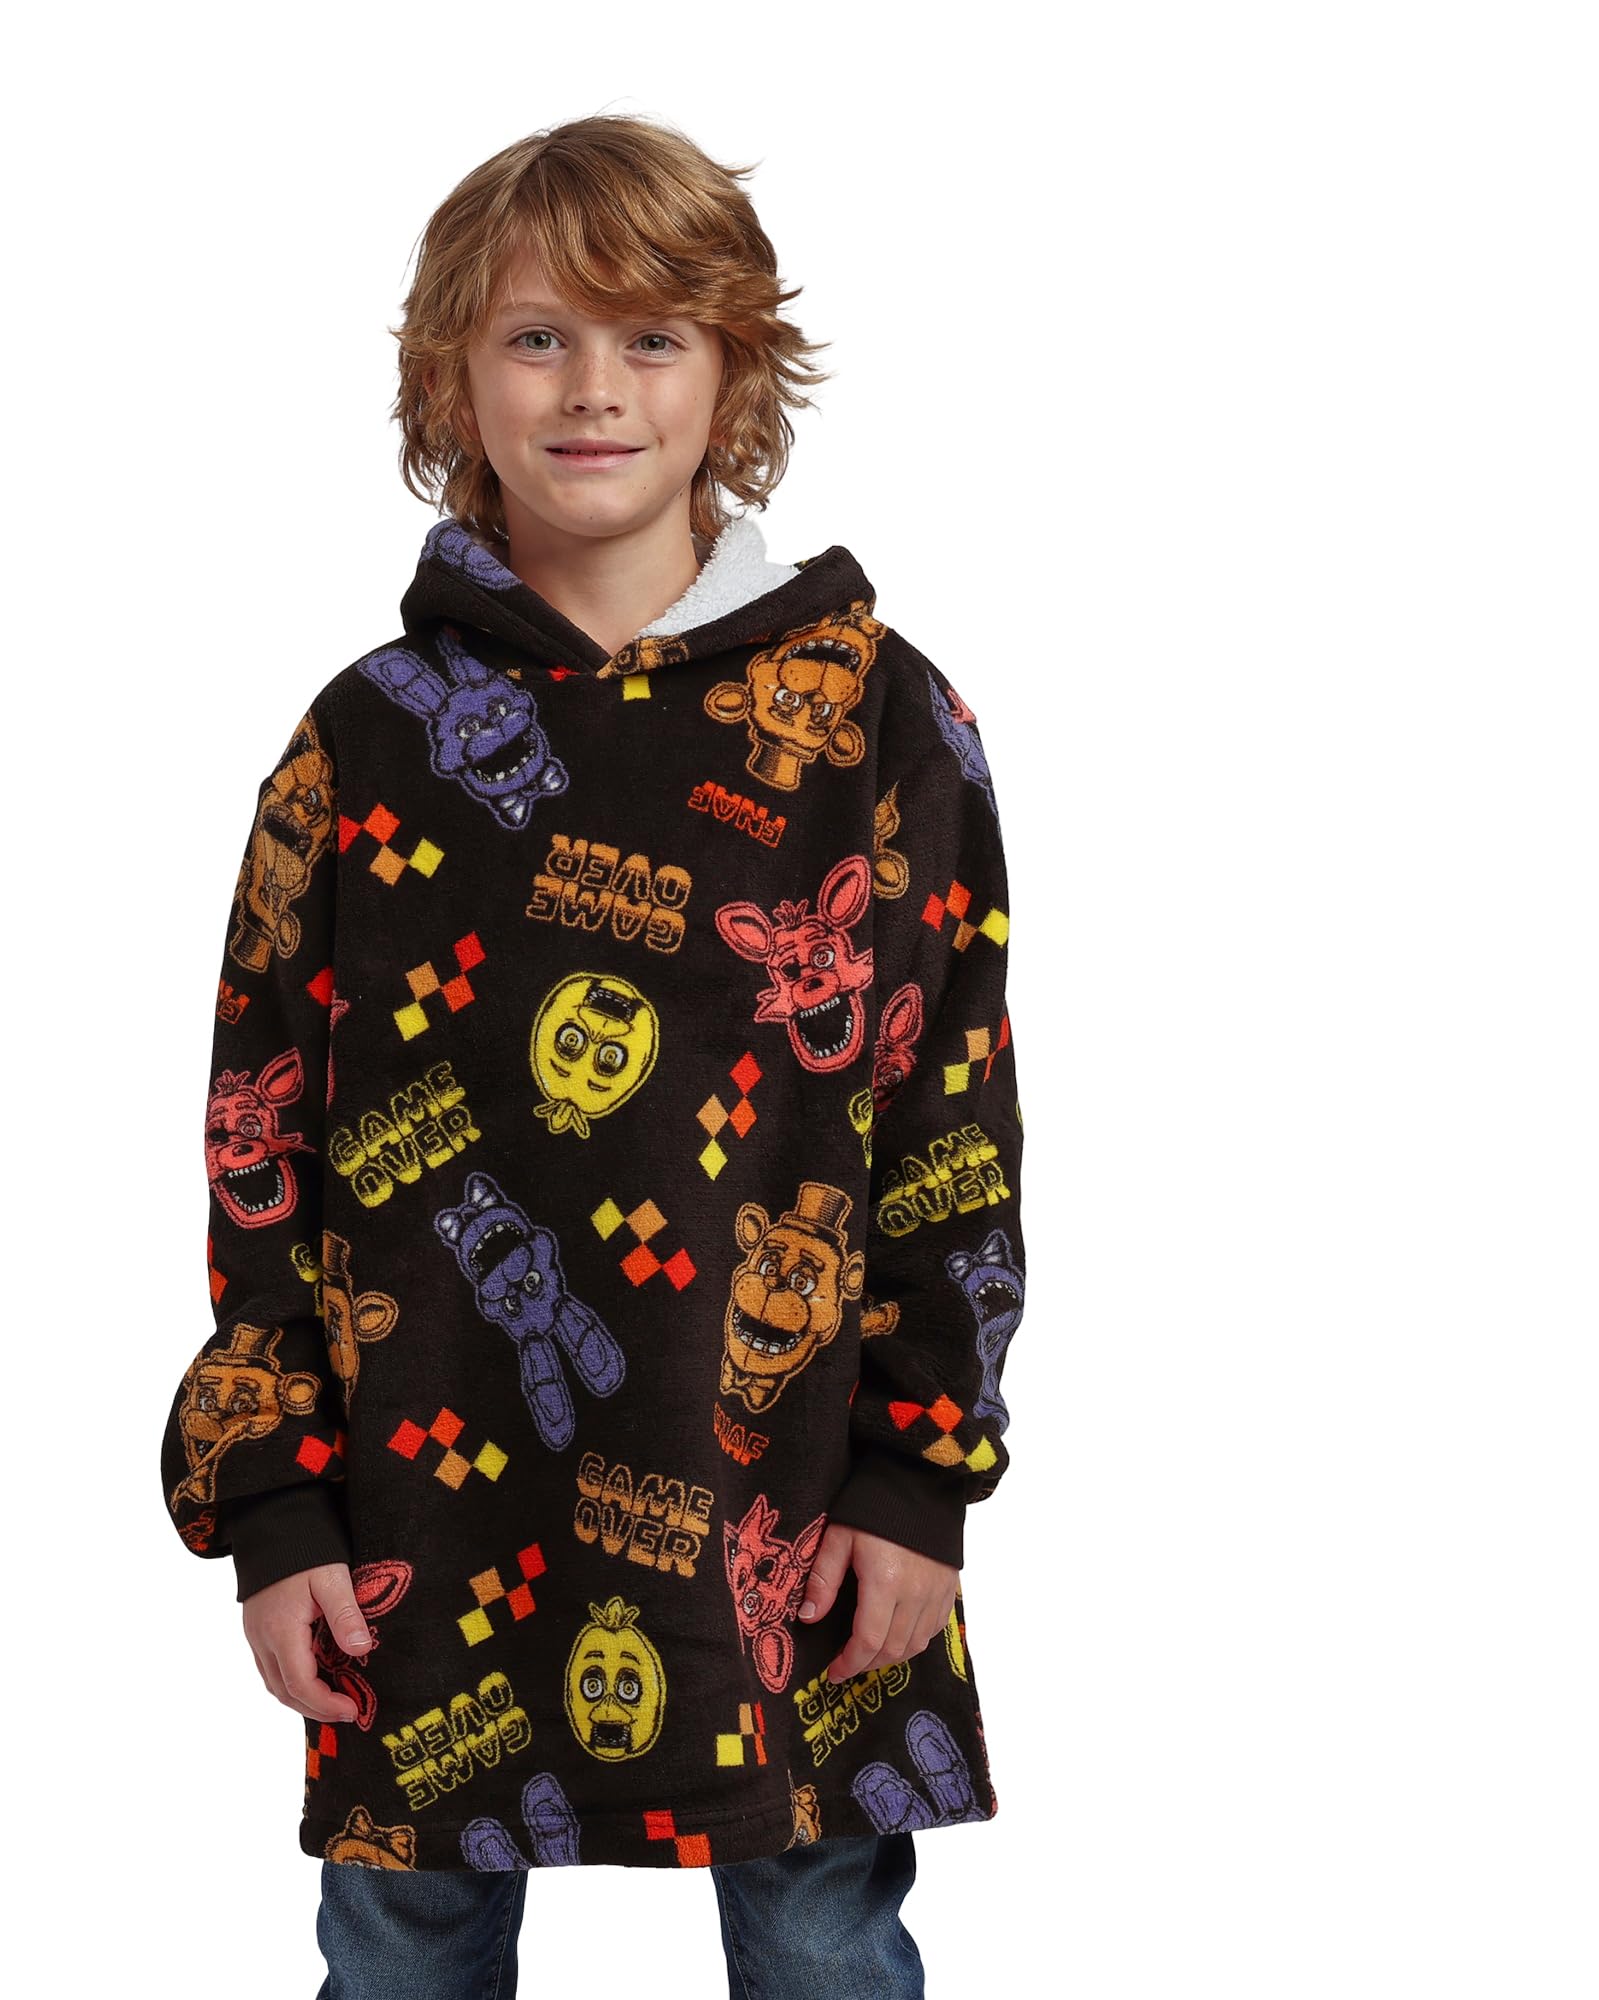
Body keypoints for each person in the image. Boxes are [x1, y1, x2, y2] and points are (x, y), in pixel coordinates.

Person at [159, 112, 1028, 1998]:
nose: (594, 389)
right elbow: (260, 1134)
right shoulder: (367, 742)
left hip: (785, 1488)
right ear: (453, 376)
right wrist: (275, 1498)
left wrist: (919, 1475)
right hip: (419, 1500)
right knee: (404, 1944)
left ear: (734, 376)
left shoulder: (877, 722)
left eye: (653, 337)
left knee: (820, 1938)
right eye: (537, 336)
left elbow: (949, 1113)